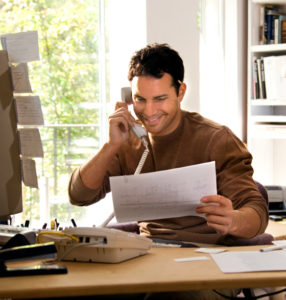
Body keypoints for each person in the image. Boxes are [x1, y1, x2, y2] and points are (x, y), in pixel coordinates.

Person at [68, 43, 268, 299]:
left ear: (180, 91)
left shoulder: (216, 139)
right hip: (147, 256)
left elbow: (256, 209)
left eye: (160, 99)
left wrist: (234, 219)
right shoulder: (128, 139)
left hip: (204, 260)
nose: (149, 112)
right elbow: (79, 195)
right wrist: (110, 146)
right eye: (140, 99)